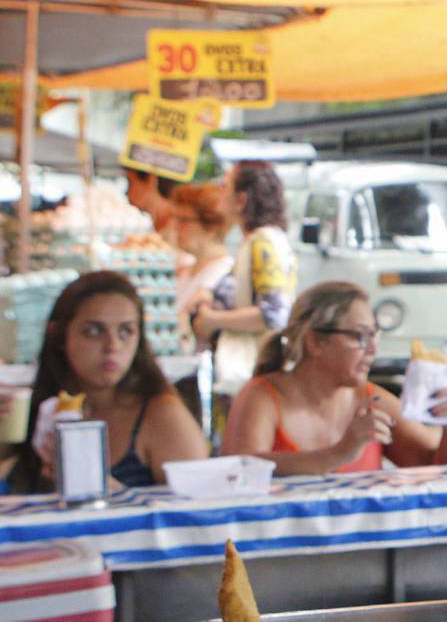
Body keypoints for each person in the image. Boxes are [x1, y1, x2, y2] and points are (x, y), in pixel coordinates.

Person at [220, 281, 447, 474]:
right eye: (360, 337)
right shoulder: (262, 396)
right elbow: (240, 470)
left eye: (374, 336)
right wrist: (337, 455)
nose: (372, 349)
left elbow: (439, 474)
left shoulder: (372, 400)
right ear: (315, 341)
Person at [3, 272, 208, 491]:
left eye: (126, 331)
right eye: (94, 331)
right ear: (59, 336)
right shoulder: (34, 409)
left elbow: (195, 514)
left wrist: (103, 488)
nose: (112, 346)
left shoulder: (162, 414)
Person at [190, 161, 297, 398]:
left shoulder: (264, 243)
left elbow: (274, 314)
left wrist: (213, 320)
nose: (219, 190)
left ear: (242, 199)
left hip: (254, 371)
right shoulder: (255, 242)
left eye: (225, 185)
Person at [172, 183, 235, 319]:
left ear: (212, 227)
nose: (176, 227)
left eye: (184, 220)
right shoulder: (186, 269)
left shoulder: (223, 276)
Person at [124, 167, 178, 241]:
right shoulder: (156, 227)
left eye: (130, 183)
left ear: (151, 180)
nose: (126, 193)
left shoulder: (178, 228)